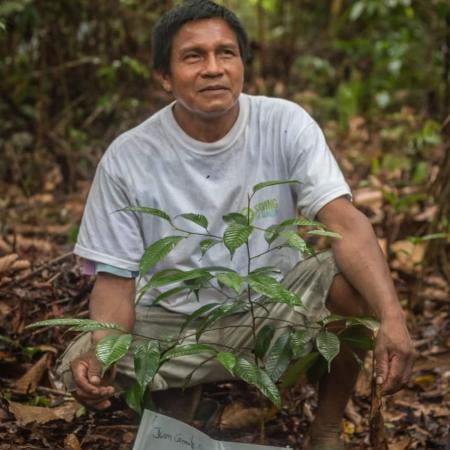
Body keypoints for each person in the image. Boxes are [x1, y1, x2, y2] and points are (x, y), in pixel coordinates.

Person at [56, 1, 415, 449]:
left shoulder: (285, 123)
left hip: (273, 308)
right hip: (170, 322)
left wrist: (392, 317)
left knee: (353, 284)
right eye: (193, 56)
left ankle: (325, 428)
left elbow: (344, 220)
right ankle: (178, 401)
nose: (213, 69)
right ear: (164, 77)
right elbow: (115, 282)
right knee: (78, 367)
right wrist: (100, 350)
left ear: (242, 64)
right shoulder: (128, 157)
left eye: (226, 53)